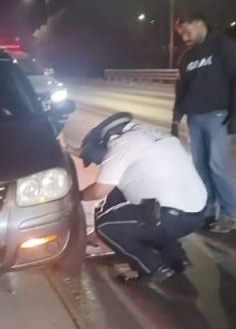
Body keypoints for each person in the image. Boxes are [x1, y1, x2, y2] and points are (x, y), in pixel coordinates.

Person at [79, 113, 208, 286]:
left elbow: (98, 192)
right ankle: (177, 258)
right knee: (144, 214)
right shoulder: (161, 137)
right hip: (196, 215)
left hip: (169, 218)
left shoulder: (122, 145)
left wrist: (77, 196)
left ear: (109, 139)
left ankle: (152, 268)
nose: (102, 159)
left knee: (107, 225)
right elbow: (114, 193)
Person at [171, 13, 236, 233]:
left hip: (218, 117)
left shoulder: (224, 46)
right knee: (200, 167)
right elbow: (181, 90)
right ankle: (206, 211)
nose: (184, 37)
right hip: (195, 119)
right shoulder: (187, 57)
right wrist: (176, 118)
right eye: (181, 33)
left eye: (186, 31)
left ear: (200, 23)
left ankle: (227, 214)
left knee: (217, 166)